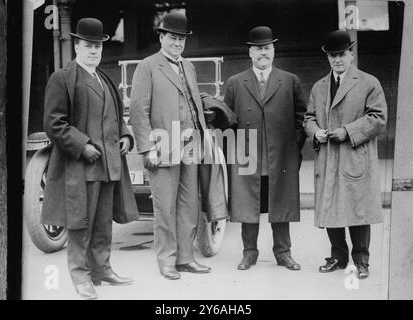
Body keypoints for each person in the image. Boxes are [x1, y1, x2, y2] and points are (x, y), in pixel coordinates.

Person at [41, 18, 139, 299]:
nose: (94, 51)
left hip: (108, 164)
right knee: (80, 222)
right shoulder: (63, 77)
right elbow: (54, 123)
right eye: (89, 46)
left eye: (98, 46)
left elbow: (117, 117)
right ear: (77, 46)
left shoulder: (103, 78)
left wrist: (125, 136)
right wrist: (82, 145)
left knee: (102, 221)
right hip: (80, 166)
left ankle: (102, 269)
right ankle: (81, 277)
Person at [129, 12, 211, 280]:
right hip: (163, 147)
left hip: (190, 145)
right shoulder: (147, 66)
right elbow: (139, 112)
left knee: (188, 204)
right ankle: (166, 261)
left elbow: (193, 101)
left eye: (181, 39)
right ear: (161, 37)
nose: (177, 43)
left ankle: (186, 258)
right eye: (172, 38)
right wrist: (147, 148)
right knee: (164, 207)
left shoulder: (188, 66)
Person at [303, 30, 387, 279]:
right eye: (332, 56)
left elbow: (378, 118)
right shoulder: (319, 87)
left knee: (358, 209)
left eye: (341, 54)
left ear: (351, 54)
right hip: (329, 157)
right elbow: (308, 118)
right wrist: (315, 131)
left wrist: (347, 132)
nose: (337, 59)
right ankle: (338, 257)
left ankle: (361, 261)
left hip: (354, 156)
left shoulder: (369, 83)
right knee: (331, 208)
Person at [224, 26, 307, 271]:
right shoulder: (235, 82)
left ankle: (283, 253)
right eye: (258, 49)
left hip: (280, 156)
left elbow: (301, 117)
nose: (263, 53)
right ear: (250, 52)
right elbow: (227, 122)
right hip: (248, 157)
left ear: (274, 51)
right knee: (248, 206)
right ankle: (249, 253)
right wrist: (235, 154)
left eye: (267, 48)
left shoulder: (290, 80)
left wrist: (293, 147)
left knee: (280, 204)